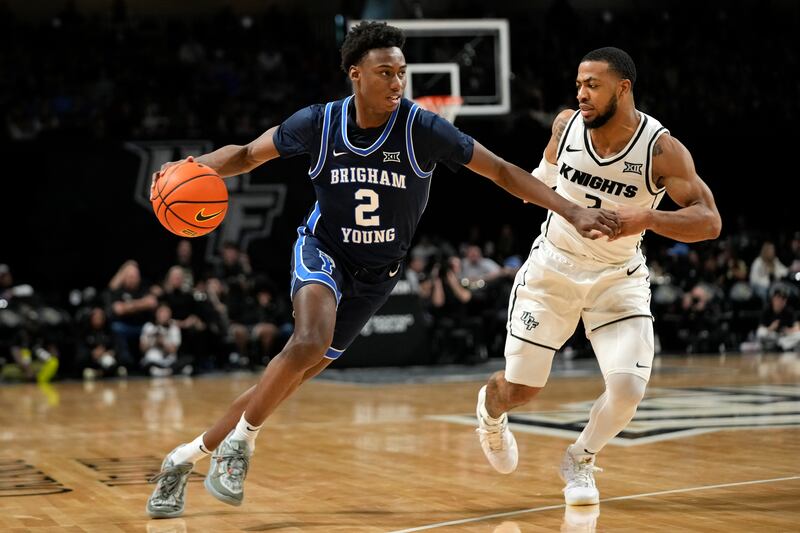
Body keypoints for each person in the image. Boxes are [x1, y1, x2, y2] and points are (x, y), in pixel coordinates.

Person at [145, 22, 619, 518]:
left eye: (401, 73)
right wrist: (191, 167)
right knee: (308, 341)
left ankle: (183, 458)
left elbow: (501, 170)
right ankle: (240, 446)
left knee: (288, 378)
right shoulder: (318, 123)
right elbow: (244, 155)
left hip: (377, 276)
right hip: (324, 250)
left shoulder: (423, 129)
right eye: (385, 72)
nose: (397, 83)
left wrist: (571, 210)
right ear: (356, 73)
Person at [475, 47, 721, 506]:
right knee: (520, 390)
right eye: (579, 85)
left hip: (617, 278)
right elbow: (541, 181)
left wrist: (648, 218)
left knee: (627, 389)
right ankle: (490, 416)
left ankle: (580, 458)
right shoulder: (566, 126)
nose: (581, 94)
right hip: (552, 270)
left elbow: (709, 222)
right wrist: (553, 199)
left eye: (593, 85)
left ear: (622, 89)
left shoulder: (661, 150)